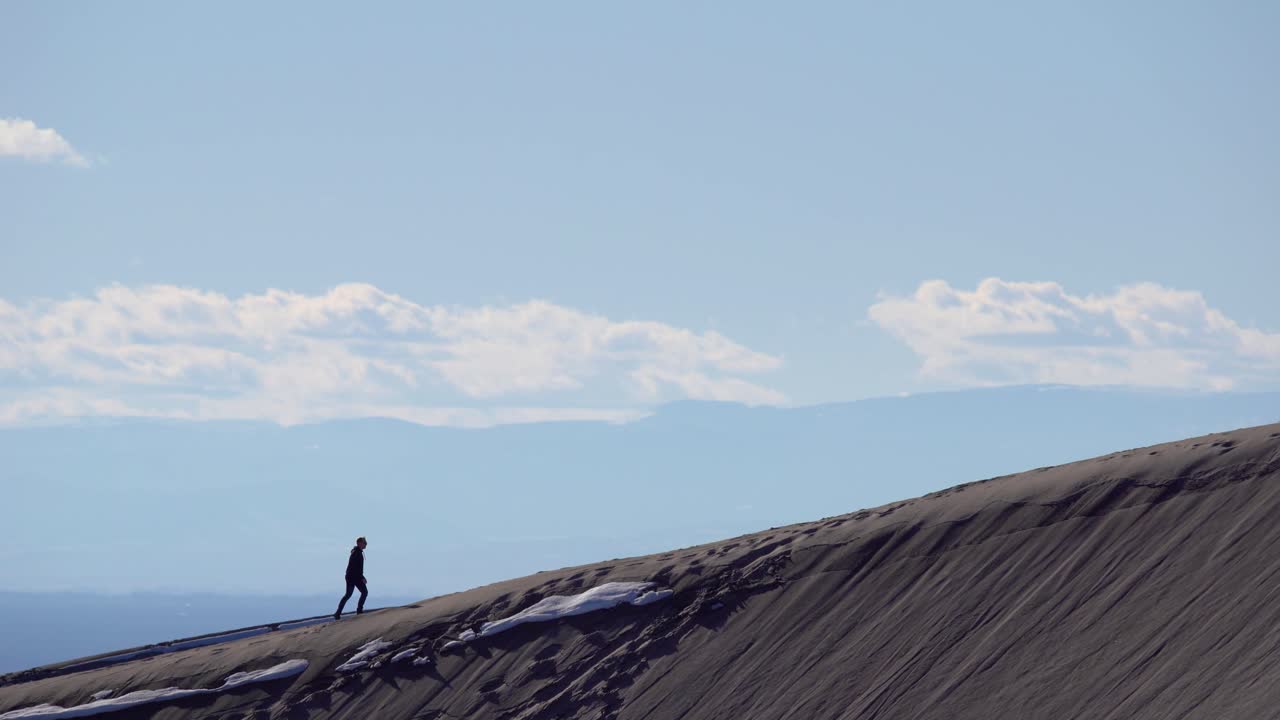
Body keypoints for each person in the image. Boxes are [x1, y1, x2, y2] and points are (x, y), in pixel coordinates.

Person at [334, 536, 368, 620]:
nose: (366, 544)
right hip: (352, 577)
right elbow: (355, 567)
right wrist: (361, 577)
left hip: (354, 577)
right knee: (354, 594)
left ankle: (339, 613)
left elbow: (357, 568)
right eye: (364, 542)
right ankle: (357, 611)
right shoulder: (356, 553)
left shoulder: (357, 552)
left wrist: (361, 577)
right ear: (359, 543)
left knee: (358, 593)